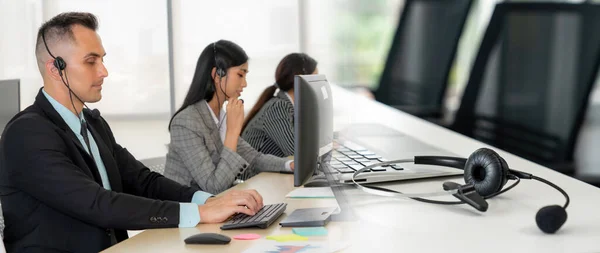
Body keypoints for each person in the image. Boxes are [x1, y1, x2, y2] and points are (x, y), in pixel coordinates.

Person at [0, 12, 264, 252]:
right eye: (91, 61)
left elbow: (143, 181)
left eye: (102, 60)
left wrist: (211, 200)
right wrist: (199, 212)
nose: (104, 71)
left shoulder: (92, 123)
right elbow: (97, 204)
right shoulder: (27, 133)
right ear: (55, 69)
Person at [163, 40, 294, 195]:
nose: (244, 84)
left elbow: (255, 158)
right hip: (191, 213)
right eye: (240, 74)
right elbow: (213, 187)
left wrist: (290, 165)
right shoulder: (186, 122)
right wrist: (232, 131)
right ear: (217, 75)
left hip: (217, 206)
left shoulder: (219, 117)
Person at [241, 53, 318, 157]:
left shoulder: (289, 106)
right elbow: (296, 151)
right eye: (315, 79)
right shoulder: (278, 106)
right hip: (256, 173)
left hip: (269, 171)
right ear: (300, 80)